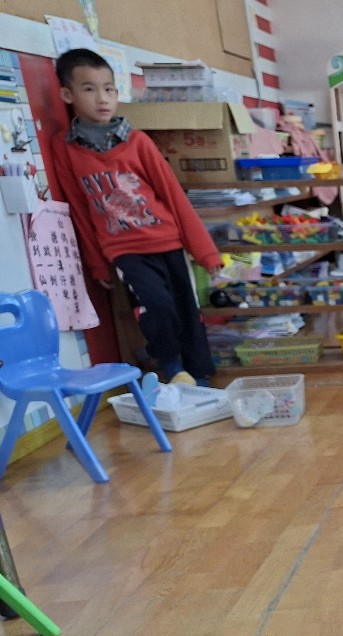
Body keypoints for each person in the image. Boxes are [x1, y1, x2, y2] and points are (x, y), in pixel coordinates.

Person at [51, 48, 220, 386]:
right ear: (68, 95)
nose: (102, 98)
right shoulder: (65, 149)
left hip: (167, 241)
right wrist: (98, 264)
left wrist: (205, 252)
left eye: (109, 89)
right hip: (125, 250)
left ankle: (199, 377)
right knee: (157, 305)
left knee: (186, 309)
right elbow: (80, 212)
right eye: (89, 89)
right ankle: (171, 366)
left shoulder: (138, 142)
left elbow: (173, 196)